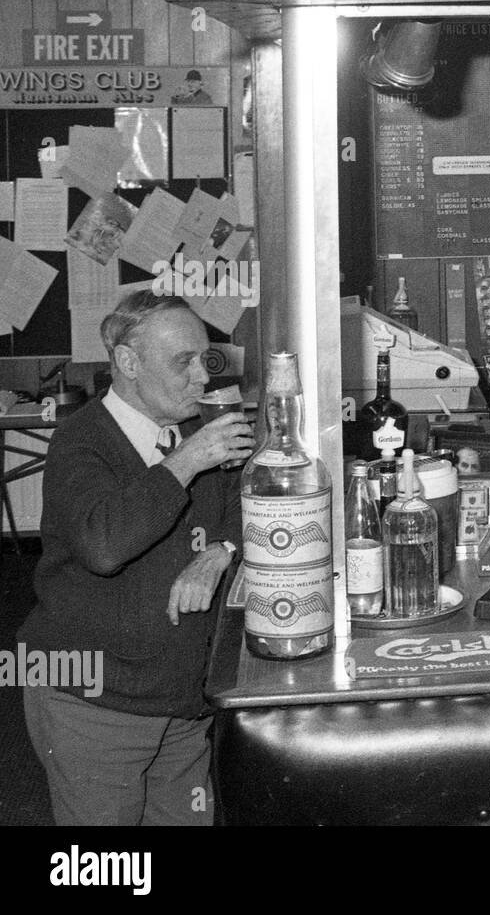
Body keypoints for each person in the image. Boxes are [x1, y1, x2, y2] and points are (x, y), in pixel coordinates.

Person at [19, 291, 254, 826]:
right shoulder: (81, 441)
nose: (203, 377)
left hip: (181, 699)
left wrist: (221, 551)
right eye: (183, 362)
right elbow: (104, 545)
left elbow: (252, 504)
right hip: (96, 700)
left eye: (205, 359)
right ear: (128, 363)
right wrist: (185, 463)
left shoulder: (196, 430)